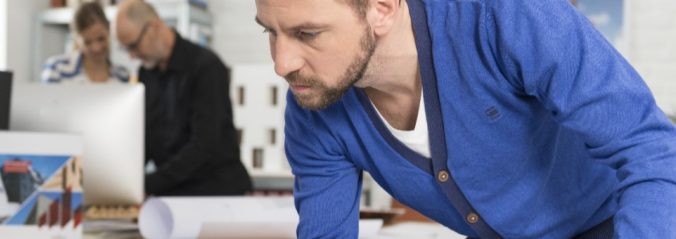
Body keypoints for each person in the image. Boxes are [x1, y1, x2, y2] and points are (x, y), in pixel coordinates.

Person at [254, 0, 676, 238]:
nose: (282, 63)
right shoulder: (315, 105)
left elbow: (654, 152)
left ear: (381, 8)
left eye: (307, 34)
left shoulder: (508, 16)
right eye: (269, 32)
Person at [114, 0, 252, 196]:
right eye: (126, 49)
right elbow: (147, 139)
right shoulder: (146, 73)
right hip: (172, 192)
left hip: (216, 194)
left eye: (133, 46)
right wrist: (124, 179)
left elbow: (203, 146)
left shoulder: (206, 67)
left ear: (154, 27)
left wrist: (147, 184)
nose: (132, 56)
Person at [41, 2, 129, 84]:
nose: (96, 48)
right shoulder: (57, 69)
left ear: (109, 30)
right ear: (77, 40)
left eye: (101, 39)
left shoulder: (121, 75)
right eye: (87, 42)